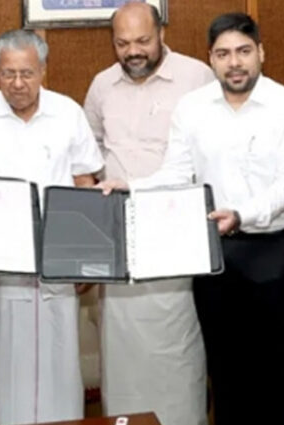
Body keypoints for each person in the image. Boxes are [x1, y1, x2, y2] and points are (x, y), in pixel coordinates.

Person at [98, 13, 284, 425]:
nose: (234, 63)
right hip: (210, 249)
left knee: (268, 367)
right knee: (222, 367)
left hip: (270, 250)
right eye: (223, 54)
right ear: (211, 58)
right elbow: (177, 174)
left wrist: (242, 215)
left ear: (261, 53)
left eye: (243, 51)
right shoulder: (193, 107)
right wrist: (132, 187)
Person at [0, 29, 104, 425]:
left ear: (43, 70)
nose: (17, 83)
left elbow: (85, 184)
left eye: (26, 73)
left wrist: (86, 258)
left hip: (57, 264)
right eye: (7, 73)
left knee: (62, 369)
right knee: (10, 373)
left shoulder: (67, 112)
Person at [83, 3, 213, 425]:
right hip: (119, 236)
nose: (133, 51)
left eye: (142, 41)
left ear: (161, 34)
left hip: (176, 235)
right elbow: (90, 150)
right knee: (120, 353)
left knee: (177, 346)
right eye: (123, 43)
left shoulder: (197, 78)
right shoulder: (102, 85)